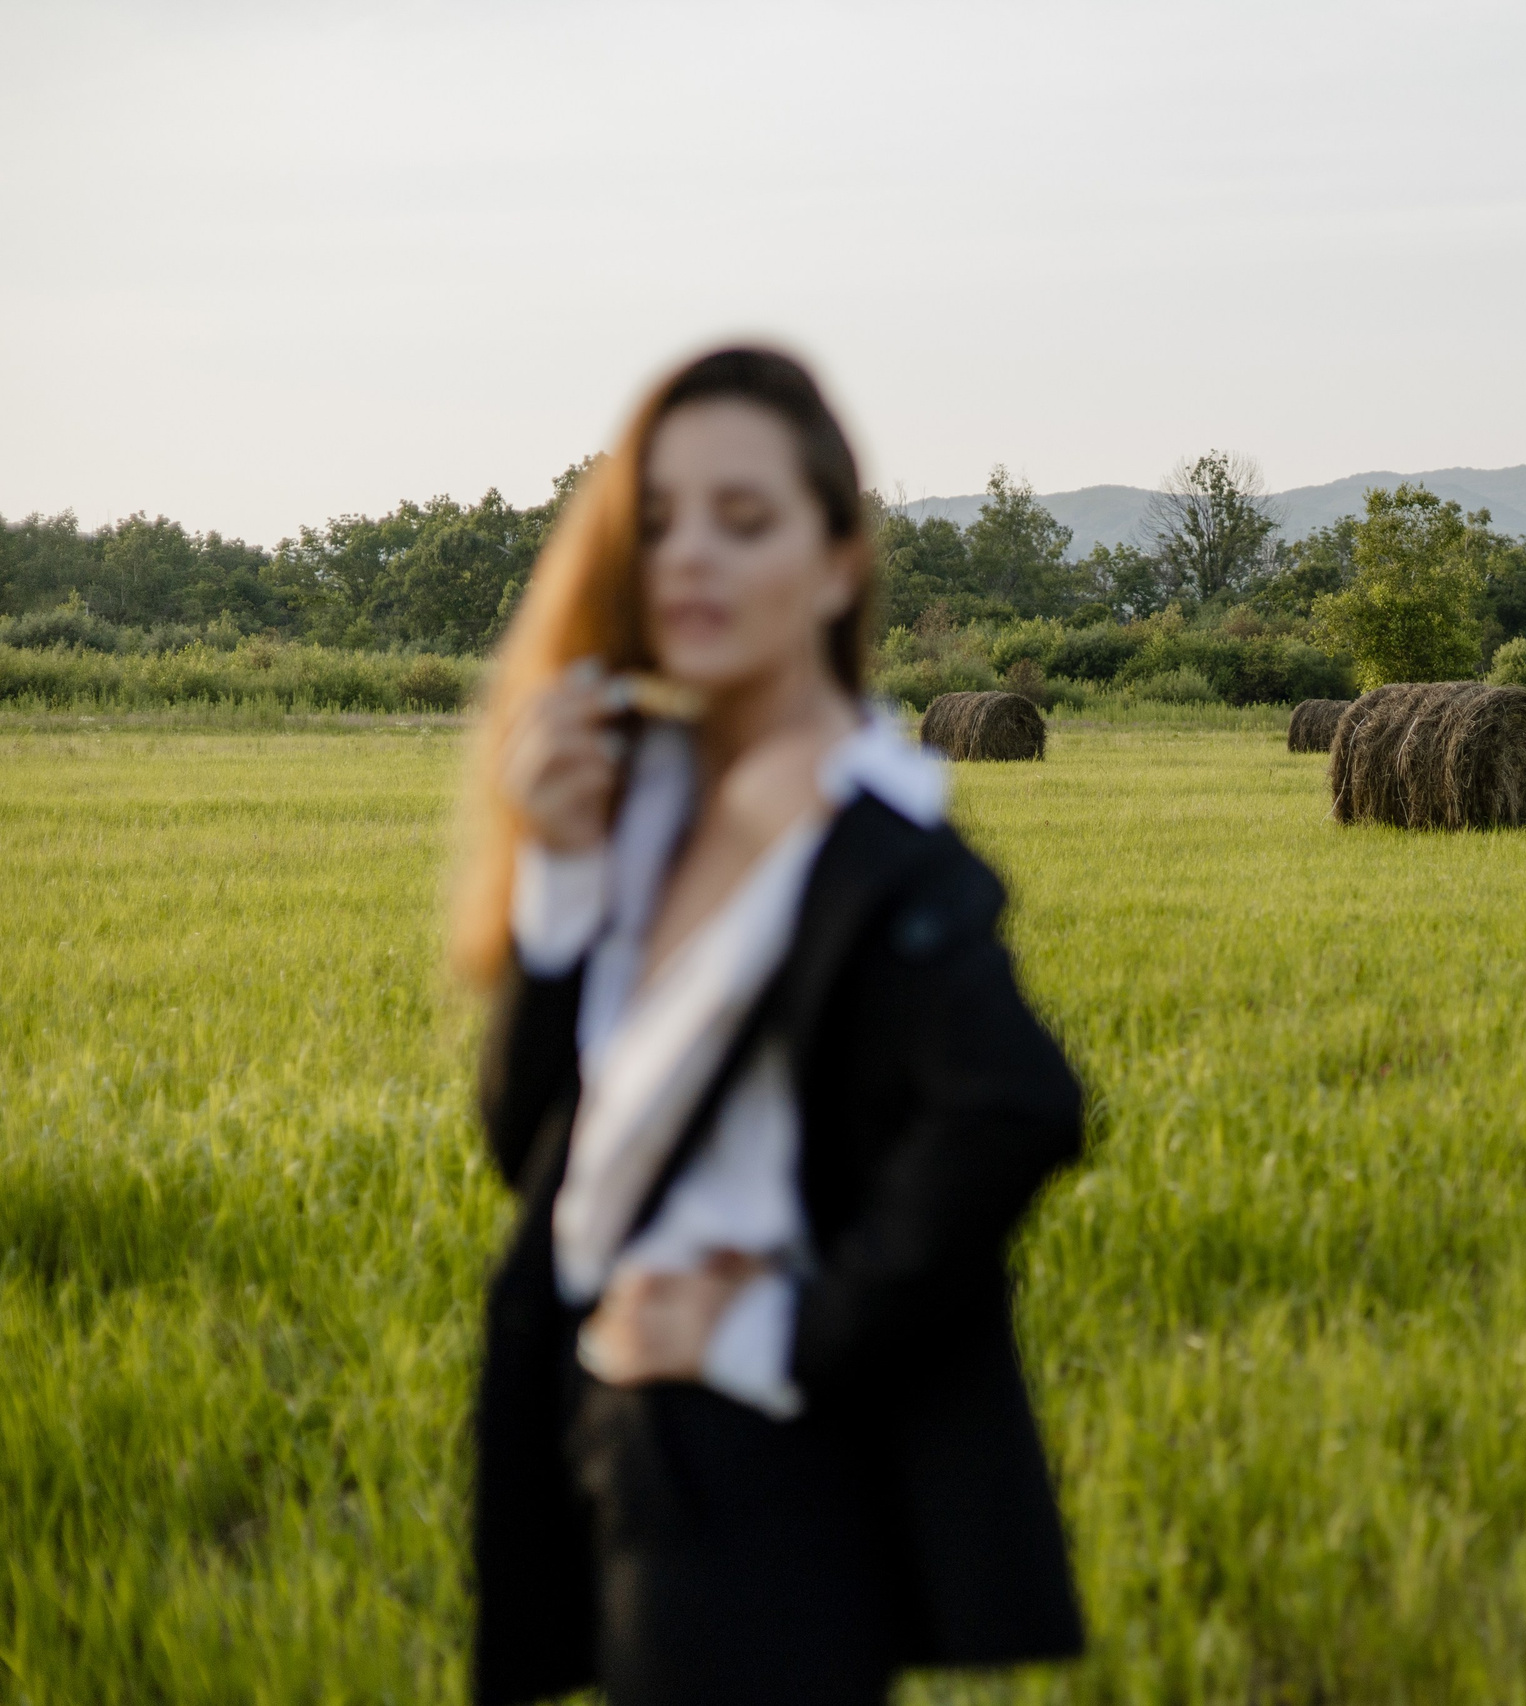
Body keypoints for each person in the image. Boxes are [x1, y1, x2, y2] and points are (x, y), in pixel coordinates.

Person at [453, 347, 1085, 1706]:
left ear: (841, 560)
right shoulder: (650, 810)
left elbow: (1018, 1103)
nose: (691, 557)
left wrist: (781, 1332)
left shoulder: (877, 848)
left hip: (765, 1466)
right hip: (618, 1436)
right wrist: (556, 877)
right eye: (662, 520)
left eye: (745, 521)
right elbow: (530, 1150)